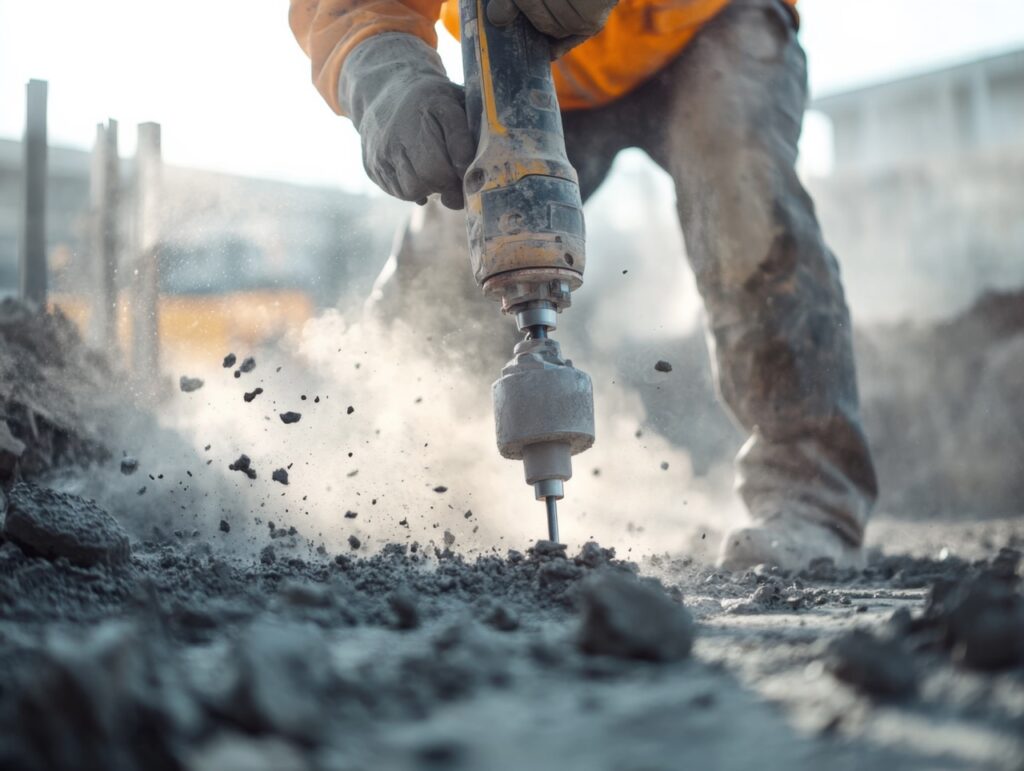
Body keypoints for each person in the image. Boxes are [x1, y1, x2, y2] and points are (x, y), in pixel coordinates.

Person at [289, 0, 879, 571]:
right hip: (530, 49)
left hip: (706, 19)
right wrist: (382, 69)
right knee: (449, 258)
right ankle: (388, 489)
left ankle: (812, 497)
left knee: (744, 191)